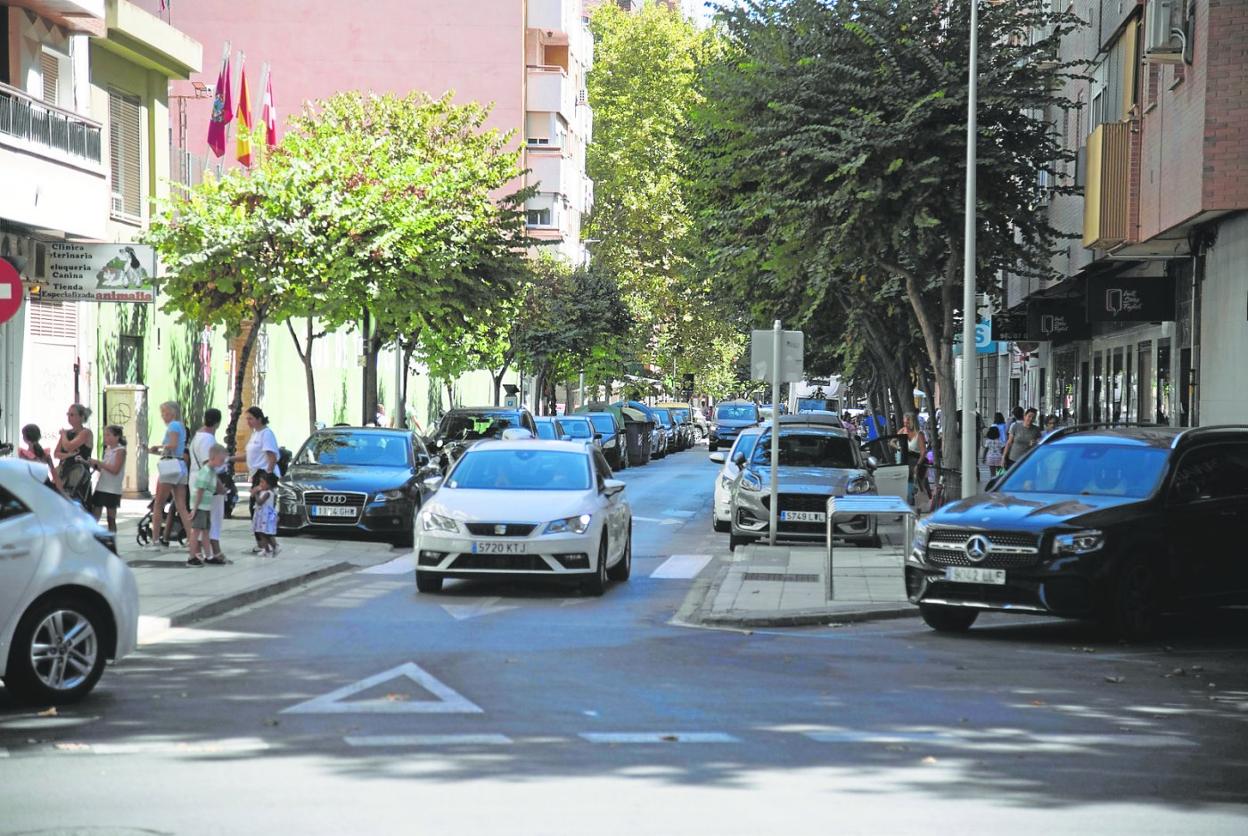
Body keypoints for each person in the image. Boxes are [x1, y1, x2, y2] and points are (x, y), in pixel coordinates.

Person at [228, 406, 280, 549]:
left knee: (259, 509)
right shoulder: (255, 434)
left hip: (263, 475)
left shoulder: (266, 434)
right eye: (247, 419)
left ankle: (267, 543)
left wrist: (266, 479)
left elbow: (272, 456)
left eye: (251, 418)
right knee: (256, 510)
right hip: (256, 474)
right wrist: (230, 458)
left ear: (259, 419)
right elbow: (249, 456)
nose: (248, 422)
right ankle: (262, 543)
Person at [148, 401, 192, 549]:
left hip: (169, 466)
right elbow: (176, 448)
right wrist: (158, 451)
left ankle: (155, 540)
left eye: (165, 413)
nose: (163, 416)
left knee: (159, 504)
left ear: (172, 413)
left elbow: (172, 445)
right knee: (181, 505)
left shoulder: (173, 426)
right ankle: (191, 538)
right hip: (180, 465)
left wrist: (158, 446)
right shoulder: (181, 426)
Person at [189, 409, 228, 563]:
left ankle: (206, 553)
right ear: (218, 422)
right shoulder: (208, 440)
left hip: (197, 480)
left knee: (204, 525)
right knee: (213, 519)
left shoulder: (198, 436)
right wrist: (220, 488)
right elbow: (209, 465)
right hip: (207, 485)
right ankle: (212, 552)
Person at [88, 425, 127, 532]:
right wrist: (92, 464)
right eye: (105, 435)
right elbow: (105, 469)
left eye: (108, 435)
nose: (105, 438)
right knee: (95, 515)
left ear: (117, 436)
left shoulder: (120, 451)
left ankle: (112, 540)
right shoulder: (108, 450)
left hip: (112, 489)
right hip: (101, 486)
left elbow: (115, 470)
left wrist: (99, 463)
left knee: (111, 518)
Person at [55, 404, 95, 509]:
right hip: (64, 474)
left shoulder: (86, 432)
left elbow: (69, 446)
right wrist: (68, 455)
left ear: (81, 417)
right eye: (68, 414)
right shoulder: (67, 433)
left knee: (79, 507)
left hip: (79, 477)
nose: (69, 417)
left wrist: (63, 435)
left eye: (72, 415)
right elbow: (56, 453)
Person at [18, 424, 60, 491]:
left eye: (23, 435)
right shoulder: (45, 454)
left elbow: (22, 474)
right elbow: (54, 473)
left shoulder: (24, 454)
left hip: (31, 487)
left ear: (25, 438)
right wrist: (61, 491)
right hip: (46, 486)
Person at [901, 413, 928, 508]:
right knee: (908, 484)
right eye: (904, 422)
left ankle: (918, 507)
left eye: (908, 422)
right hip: (907, 461)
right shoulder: (903, 431)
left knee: (916, 485)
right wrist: (900, 448)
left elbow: (923, 452)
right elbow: (891, 441)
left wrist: (918, 465)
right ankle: (908, 505)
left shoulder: (919, 434)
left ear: (913, 422)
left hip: (918, 461)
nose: (906, 425)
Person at [251, 471, 280, 556]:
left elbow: (260, 502)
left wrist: (256, 493)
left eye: (262, 482)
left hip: (266, 517)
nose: (260, 484)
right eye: (260, 482)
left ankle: (275, 546)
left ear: (269, 484)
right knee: (260, 532)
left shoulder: (268, 493)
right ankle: (266, 549)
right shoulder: (263, 492)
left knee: (267, 533)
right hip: (261, 516)